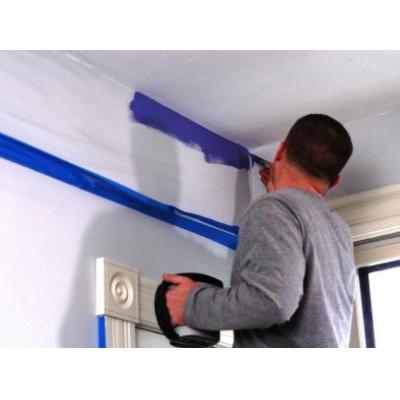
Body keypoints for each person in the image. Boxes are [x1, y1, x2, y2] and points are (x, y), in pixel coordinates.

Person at [163, 114, 356, 347]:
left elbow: (273, 301)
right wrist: (278, 206)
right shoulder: (340, 231)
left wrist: (190, 305)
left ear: (280, 150)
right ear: (335, 181)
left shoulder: (276, 209)